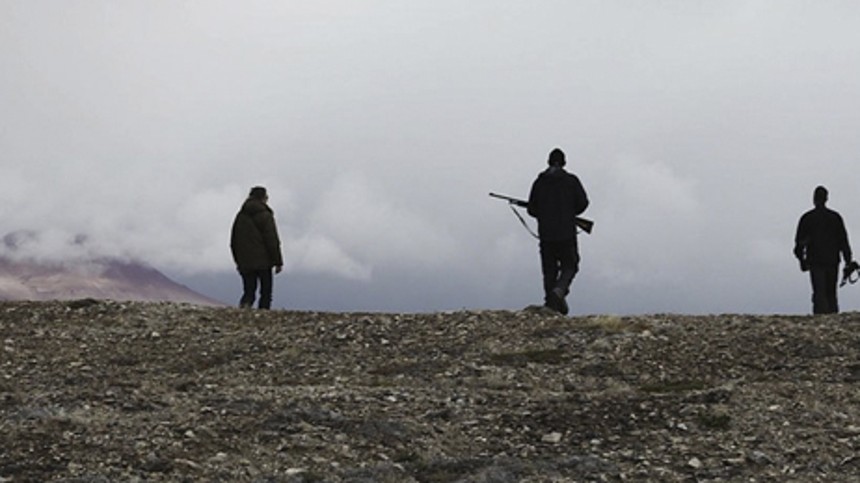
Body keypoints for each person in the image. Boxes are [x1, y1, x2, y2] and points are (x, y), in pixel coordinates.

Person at [527, 148, 589, 314]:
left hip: (546, 234)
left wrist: (544, 213)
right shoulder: (571, 181)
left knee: (549, 270)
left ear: (548, 162)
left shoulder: (539, 182)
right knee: (570, 265)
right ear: (564, 162)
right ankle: (558, 293)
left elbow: (532, 209)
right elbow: (583, 203)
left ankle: (551, 303)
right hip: (566, 232)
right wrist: (569, 212)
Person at [794, 186, 854, 314]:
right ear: (826, 198)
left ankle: (821, 318)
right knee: (831, 293)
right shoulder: (835, 218)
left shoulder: (807, 218)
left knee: (819, 293)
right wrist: (848, 261)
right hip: (832, 260)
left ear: (814, 199)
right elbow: (843, 242)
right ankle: (832, 317)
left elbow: (799, 245)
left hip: (816, 261)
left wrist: (802, 261)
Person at [230, 186, 284, 309]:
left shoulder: (240, 216)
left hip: (245, 261)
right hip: (264, 262)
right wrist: (278, 262)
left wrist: (238, 261)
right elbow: (272, 240)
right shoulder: (265, 215)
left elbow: (234, 241)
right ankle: (263, 315)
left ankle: (243, 312)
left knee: (249, 292)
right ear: (263, 198)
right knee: (266, 293)